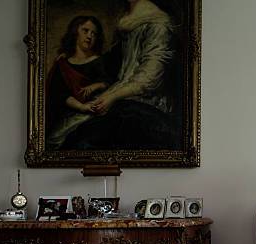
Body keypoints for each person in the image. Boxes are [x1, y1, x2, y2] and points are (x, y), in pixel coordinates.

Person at [60, 0, 180, 150]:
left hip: (147, 103)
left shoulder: (158, 24)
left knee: (84, 138)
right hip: (120, 95)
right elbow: (110, 65)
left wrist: (112, 97)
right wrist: (71, 58)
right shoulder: (126, 23)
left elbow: (149, 77)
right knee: (66, 130)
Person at [46, 16, 111, 150]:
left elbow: (109, 82)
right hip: (69, 114)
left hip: (95, 113)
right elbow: (59, 94)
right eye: (85, 31)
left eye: (94, 34)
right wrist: (81, 107)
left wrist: (96, 85)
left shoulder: (99, 61)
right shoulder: (62, 63)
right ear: (75, 32)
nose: (89, 36)